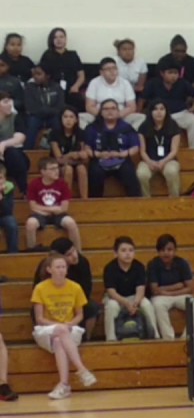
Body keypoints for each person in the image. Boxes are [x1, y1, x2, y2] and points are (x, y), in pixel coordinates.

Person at [31, 252, 96, 399]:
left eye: (63, 267)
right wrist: (60, 326)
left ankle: (64, 385)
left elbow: (80, 315)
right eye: (58, 267)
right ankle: (82, 369)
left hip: (69, 328)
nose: (61, 270)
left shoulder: (75, 287)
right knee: (60, 332)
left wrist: (69, 324)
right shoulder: (40, 288)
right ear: (49, 270)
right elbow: (39, 318)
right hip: (46, 330)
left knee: (59, 340)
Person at [102, 236, 157, 340]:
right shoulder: (109, 268)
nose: (128, 254)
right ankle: (111, 339)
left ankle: (154, 336)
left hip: (134, 297)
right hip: (116, 298)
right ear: (115, 253)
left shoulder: (139, 266)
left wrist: (135, 304)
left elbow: (140, 289)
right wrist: (126, 304)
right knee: (111, 306)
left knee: (147, 304)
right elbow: (111, 292)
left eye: (131, 250)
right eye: (123, 250)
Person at [143, 58, 194, 149]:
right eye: (170, 73)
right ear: (162, 73)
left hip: (180, 114)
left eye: (176, 73)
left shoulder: (183, 83)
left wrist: (193, 109)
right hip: (158, 115)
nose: (173, 76)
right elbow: (142, 99)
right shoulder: (153, 83)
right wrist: (140, 111)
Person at [25, 157, 80, 251]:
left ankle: (77, 252)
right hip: (41, 215)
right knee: (30, 224)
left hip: (58, 214)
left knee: (71, 223)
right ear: (43, 171)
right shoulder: (34, 184)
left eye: (57, 168)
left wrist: (45, 209)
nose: (56, 171)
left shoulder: (62, 184)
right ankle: (31, 250)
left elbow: (64, 208)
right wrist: (53, 210)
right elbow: (33, 207)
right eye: (52, 169)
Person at [147, 234, 194, 340]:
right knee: (157, 304)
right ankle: (168, 338)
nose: (166, 253)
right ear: (158, 251)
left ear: (175, 250)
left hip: (180, 295)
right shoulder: (153, 264)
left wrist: (167, 291)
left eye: (169, 249)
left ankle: (186, 338)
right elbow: (154, 289)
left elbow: (190, 288)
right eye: (163, 250)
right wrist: (178, 286)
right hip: (162, 297)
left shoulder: (182, 263)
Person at [136, 101, 182, 198]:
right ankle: (146, 200)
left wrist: (163, 162)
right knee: (141, 174)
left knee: (172, 171)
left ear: (166, 111)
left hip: (169, 159)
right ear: (150, 112)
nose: (159, 112)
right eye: (155, 109)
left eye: (162, 109)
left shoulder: (174, 126)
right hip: (148, 160)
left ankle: (174, 200)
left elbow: (174, 150)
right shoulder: (143, 127)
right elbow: (142, 151)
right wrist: (150, 162)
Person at [82, 57, 143, 129]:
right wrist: (103, 115)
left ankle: (125, 135)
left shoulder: (125, 83)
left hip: (121, 116)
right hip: (99, 116)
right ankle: (95, 134)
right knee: (80, 117)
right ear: (101, 72)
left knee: (142, 118)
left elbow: (132, 107)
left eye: (114, 68)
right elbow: (89, 106)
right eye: (108, 69)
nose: (112, 71)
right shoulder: (94, 83)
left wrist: (117, 115)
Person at [39, 28, 85, 110]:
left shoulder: (73, 55)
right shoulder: (47, 55)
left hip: (71, 90)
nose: (59, 40)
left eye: (61, 37)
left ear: (65, 39)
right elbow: (41, 75)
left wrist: (76, 86)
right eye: (55, 37)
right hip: (53, 91)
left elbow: (81, 75)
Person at [21, 64, 64, 147]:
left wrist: (47, 111)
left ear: (47, 75)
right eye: (34, 74)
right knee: (32, 123)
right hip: (36, 116)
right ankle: (28, 151)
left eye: (39, 74)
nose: (35, 77)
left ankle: (60, 149)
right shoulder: (29, 87)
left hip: (53, 117)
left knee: (58, 122)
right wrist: (46, 110)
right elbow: (30, 107)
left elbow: (60, 106)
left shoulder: (57, 87)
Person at [0, 91, 30, 183]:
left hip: (13, 156)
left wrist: (3, 144)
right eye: (5, 102)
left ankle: (23, 190)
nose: (9, 104)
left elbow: (20, 138)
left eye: (10, 101)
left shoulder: (16, 117)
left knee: (13, 154)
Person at [0, 163, 17, 253]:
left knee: (11, 223)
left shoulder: (8, 188)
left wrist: (2, 198)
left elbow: (8, 210)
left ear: (5, 179)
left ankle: (13, 253)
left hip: (3, 216)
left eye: (0, 178)